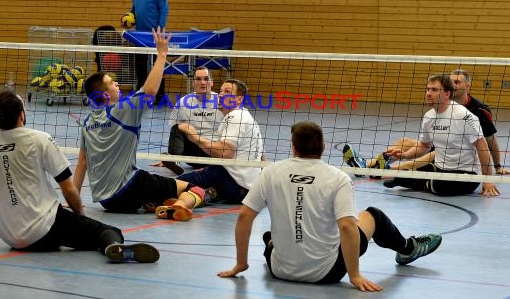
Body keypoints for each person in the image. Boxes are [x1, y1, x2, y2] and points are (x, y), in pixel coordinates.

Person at [218, 121, 442, 291]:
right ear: (323, 147)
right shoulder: (337, 177)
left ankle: (282, 249)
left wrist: (240, 264)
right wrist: (354, 275)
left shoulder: (271, 171)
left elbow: (244, 217)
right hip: (326, 273)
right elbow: (346, 227)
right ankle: (408, 248)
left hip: (280, 270)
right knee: (373, 215)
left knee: (269, 235)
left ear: (293, 148)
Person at [0, 91, 159, 263]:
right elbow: (68, 188)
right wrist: (81, 218)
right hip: (46, 228)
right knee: (109, 232)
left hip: (11, 238)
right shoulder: (39, 139)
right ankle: (112, 247)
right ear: (21, 115)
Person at [74, 28, 209, 221]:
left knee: (158, 189)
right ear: (104, 95)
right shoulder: (124, 110)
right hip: (130, 187)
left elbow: (82, 163)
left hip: (107, 201)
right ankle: (178, 206)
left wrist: (74, 198)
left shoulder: (87, 123)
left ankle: (155, 203)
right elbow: (150, 90)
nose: (117, 84)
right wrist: (162, 54)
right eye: (112, 83)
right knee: (195, 189)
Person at [344, 69, 510, 174]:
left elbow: (489, 140)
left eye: (457, 82)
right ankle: (367, 165)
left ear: (468, 87)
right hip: (440, 142)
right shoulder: (439, 109)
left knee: (433, 153)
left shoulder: (478, 111)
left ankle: (389, 171)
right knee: (405, 142)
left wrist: (497, 167)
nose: (453, 84)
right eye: (451, 81)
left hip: (457, 153)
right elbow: (424, 143)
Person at [358, 74, 499, 196]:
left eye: (434, 90)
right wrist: (404, 155)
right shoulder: (429, 116)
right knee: (424, 172)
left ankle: (410, 180)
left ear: (447, 94)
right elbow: (424, 145)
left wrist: (488, 180)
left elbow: (482, 146)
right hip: (439, 168)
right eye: (428, 89)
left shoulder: (464, 116)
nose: (429, 93)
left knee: (440, 187)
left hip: (465, 174)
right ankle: (409, 178)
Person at [176, 79, 264, 203]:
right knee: (198, 185)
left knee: (177, 183)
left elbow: (225, 153)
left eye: (227, 92)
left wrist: (194, 136)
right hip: (245, 190)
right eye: (221, 91)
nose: (221, 95)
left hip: (230, 180)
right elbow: (262, 158)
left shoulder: (235, 117)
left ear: (239, 99)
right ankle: (204, 195)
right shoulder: (247, 116)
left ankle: (154, 197)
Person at [157, 66, 224, 175]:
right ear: (193, 83)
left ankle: (214, 166)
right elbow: (175, 133)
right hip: (193, 153)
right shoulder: (183, 102)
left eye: (206, 79)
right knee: (177, 127)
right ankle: (174, 160)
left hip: (215, 152)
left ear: (212, 82)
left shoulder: (222, 102)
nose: (202, 82)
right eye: (198, 79)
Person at [121, 0, 168, 103]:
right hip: (139, 35)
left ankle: (159, 97)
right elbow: (135, 9)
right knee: (140, 63)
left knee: (157, 64)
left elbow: (164, 8)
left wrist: (161, 26)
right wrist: (128, 18)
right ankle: (141, 94)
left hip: (154, 34)